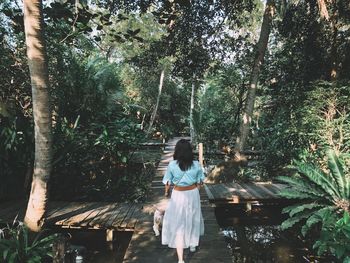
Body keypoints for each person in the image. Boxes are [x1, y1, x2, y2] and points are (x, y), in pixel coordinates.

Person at [161, 139, 205, 263]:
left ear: (177, 151)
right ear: (190, 151)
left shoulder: (172, 165)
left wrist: (166, 193)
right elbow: (200, 181)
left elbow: (167, 182)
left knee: (179, 223)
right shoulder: (196, 164)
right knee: (192, 218)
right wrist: (196, 190)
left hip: (178, 194)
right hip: (193, 193)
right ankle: (192, 244)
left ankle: (181, 260)